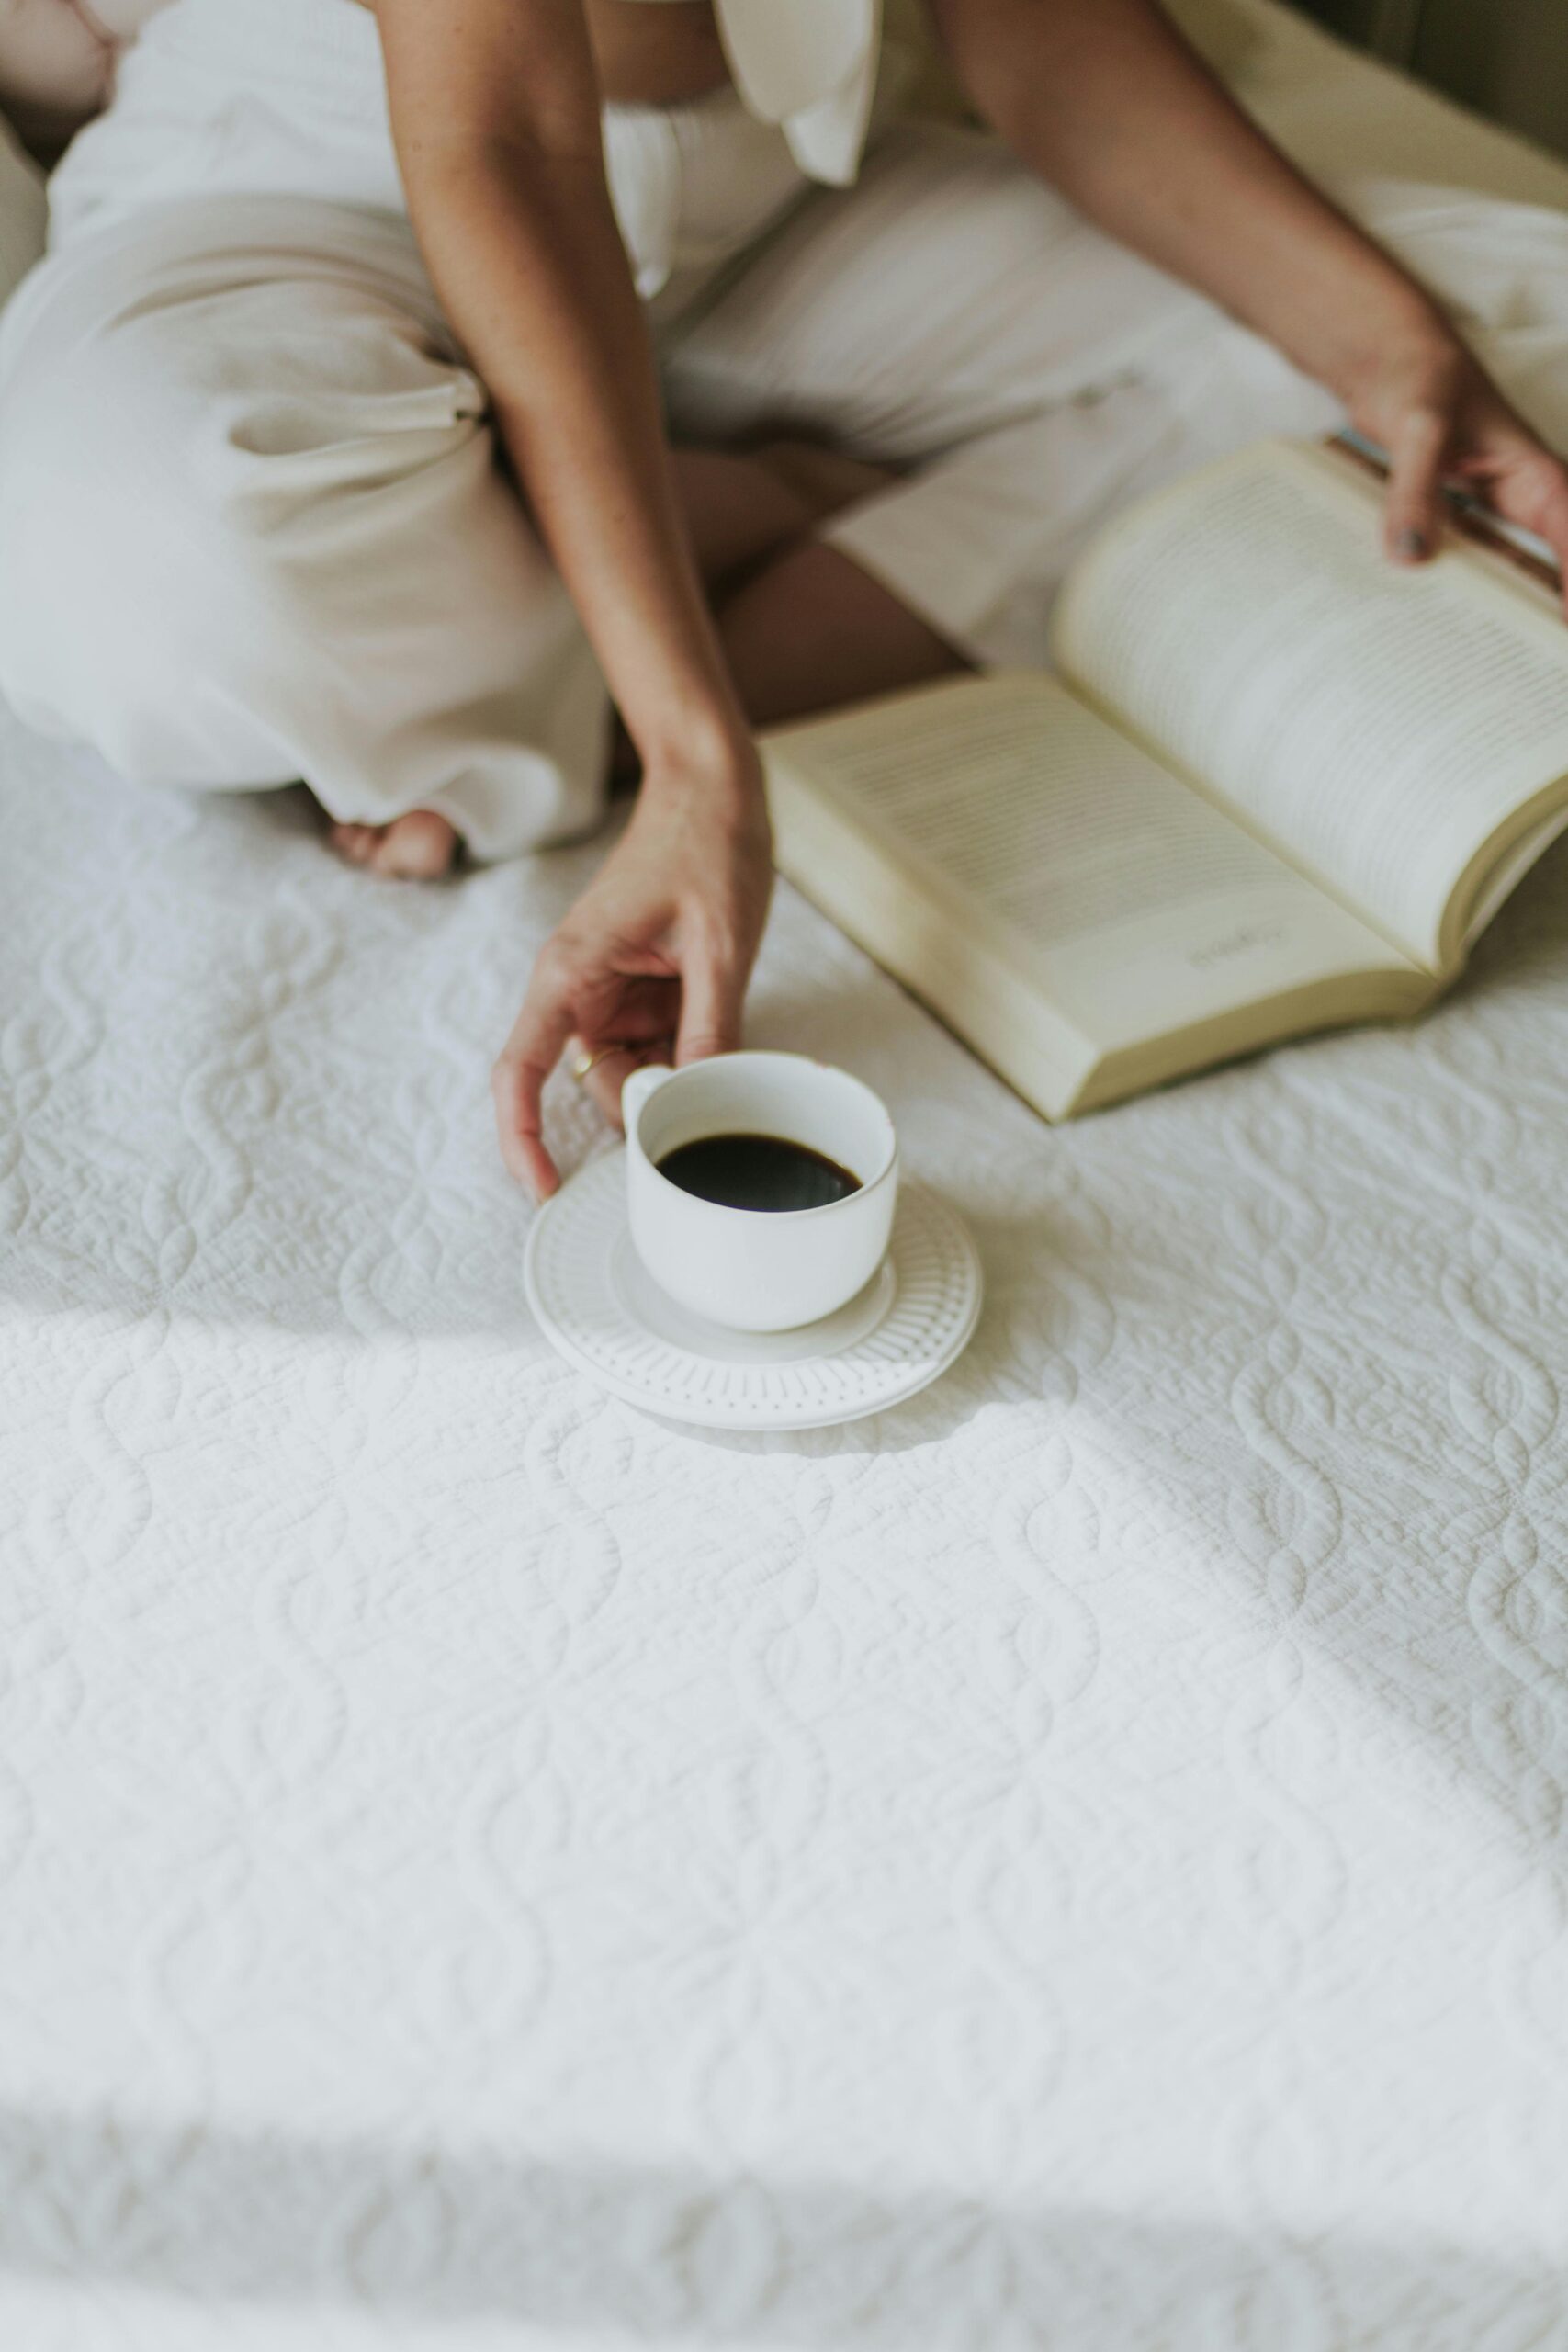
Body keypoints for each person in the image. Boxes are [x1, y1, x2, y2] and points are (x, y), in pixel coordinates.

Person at [3, 0, 1568, 1199]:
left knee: (1508, 312)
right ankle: (731, 539)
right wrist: (697, 758)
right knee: (162, 535)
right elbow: (508, 139)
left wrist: (1391, 352)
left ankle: (524, 663)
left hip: (760, 210)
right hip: (317, 180)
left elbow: (1046, 37)